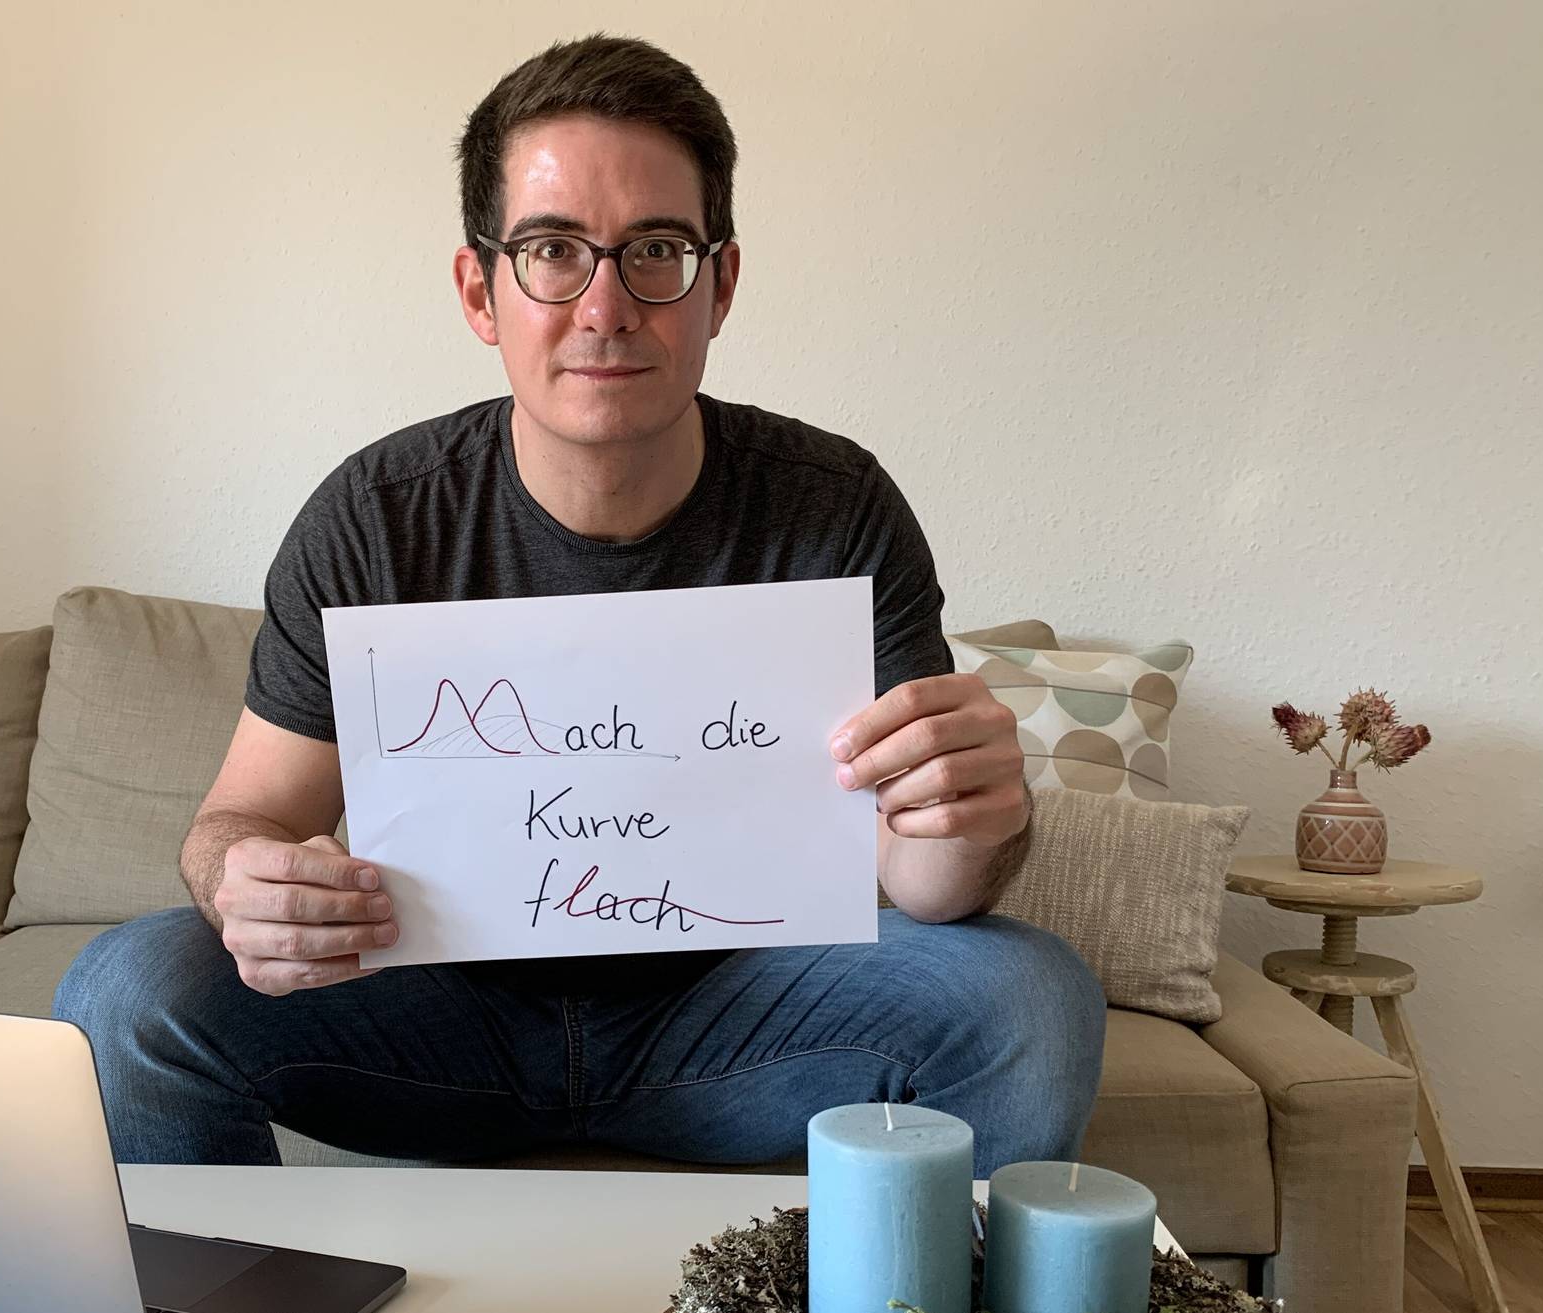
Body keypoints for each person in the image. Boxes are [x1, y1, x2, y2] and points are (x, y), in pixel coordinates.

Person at [55, 33, 1103, 1175]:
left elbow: (927, 883)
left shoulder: (832, 506)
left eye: (655, 250)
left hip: (741, 1024)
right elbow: (239, 819)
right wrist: (244, 882)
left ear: (721, 285)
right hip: (432, 1020)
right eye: (553, 250)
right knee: (127, 987)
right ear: (481, 290)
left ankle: (887, 1271)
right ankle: (242, 1270)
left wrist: (977, 818)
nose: (606, 306)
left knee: (1029, 997)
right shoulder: (376, 516)